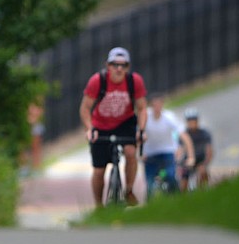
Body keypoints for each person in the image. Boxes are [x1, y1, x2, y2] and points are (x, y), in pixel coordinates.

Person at [79, 46, 148, 207]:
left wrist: (141, 130)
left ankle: (129, 189)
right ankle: (98, 205)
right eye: (114, 64)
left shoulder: (134, 81)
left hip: (125, 122)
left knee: (131, 152)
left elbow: (142, 107)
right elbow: (85, 108)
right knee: (99, 170)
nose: (118, 68)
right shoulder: (98, 81)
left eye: (123, 65)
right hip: (100, 124)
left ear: (128, 67)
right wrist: (89, 129)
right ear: (108, 66)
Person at [142, 93, 192, 198]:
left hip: (167, 153)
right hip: (150, 154)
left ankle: (177, 197)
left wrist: (191, 156)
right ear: (151, 105)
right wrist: (140, 153)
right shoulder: (145, 117)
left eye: (159, 104)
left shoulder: (169, 117)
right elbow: (138, 135)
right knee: (150, 184)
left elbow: (184, 136)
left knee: (170, 176)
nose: (157, 108)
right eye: (154, 105)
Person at [177, 108, 214, 191]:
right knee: (183, 180)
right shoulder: (184, 134)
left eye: (194, 120)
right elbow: (180, 149)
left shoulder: (204, 133)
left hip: (201, 160)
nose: (192, 123)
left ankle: (201, 191)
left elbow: (209, 151)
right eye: (190, 121)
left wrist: (205, 164)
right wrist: (180, 161)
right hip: (187, 161)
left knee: (203, 173)